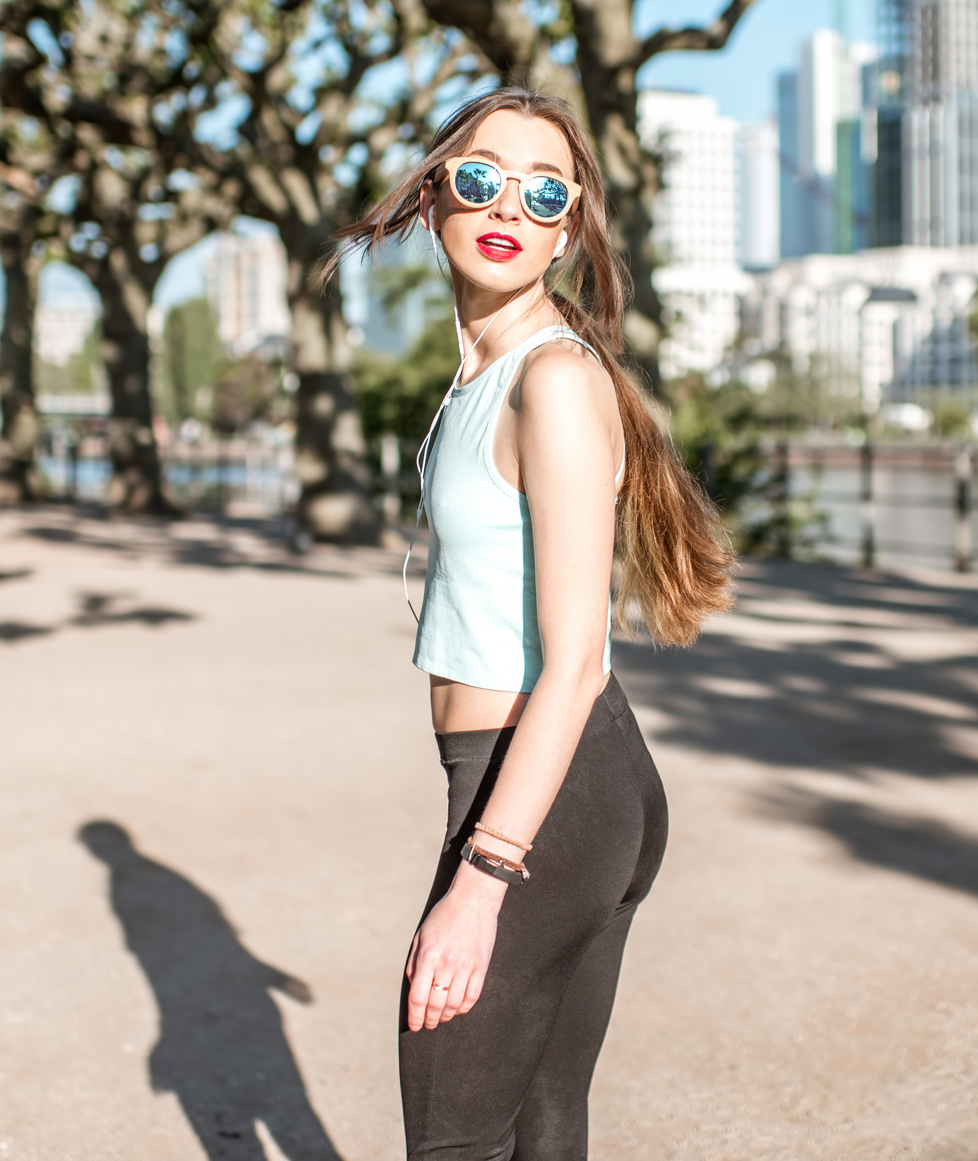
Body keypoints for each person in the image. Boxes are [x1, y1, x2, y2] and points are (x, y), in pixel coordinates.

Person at [334, 88, 734, 1159]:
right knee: (540, 1128)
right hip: (567, 784)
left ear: (566, 227)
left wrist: (481, 876)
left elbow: (577, 661)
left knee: (453, 1134)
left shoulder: (551, 381)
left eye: (543, 189)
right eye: (480, 177)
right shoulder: (488, 374)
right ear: (432, 200)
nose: (509, 201)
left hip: (545, 793)